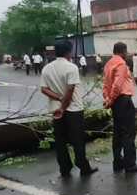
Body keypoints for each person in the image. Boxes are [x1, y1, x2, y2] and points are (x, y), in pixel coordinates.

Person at [41, 41, 97, 178]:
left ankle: (65, 168)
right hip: (73, 110)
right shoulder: (71, 67)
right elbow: (70, 89)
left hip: (56, 110)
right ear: (68, 52)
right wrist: (64, 106)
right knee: (77, 140)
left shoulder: (47, 68)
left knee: (60, 141)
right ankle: (83, 166)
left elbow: (44, 89)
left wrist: (59, 100)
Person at [103, 42, 137, 173]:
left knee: (117, 133)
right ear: (122, 51)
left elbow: (105, 84)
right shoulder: (121, 64)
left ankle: (118, 162)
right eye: (126, 52)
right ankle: (130, 164)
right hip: (123, 100)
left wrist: (107, 99)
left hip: (116, 103)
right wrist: (111, 99)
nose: (127, 54)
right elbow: (117, 85)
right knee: (128, 133)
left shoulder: (108, 64)